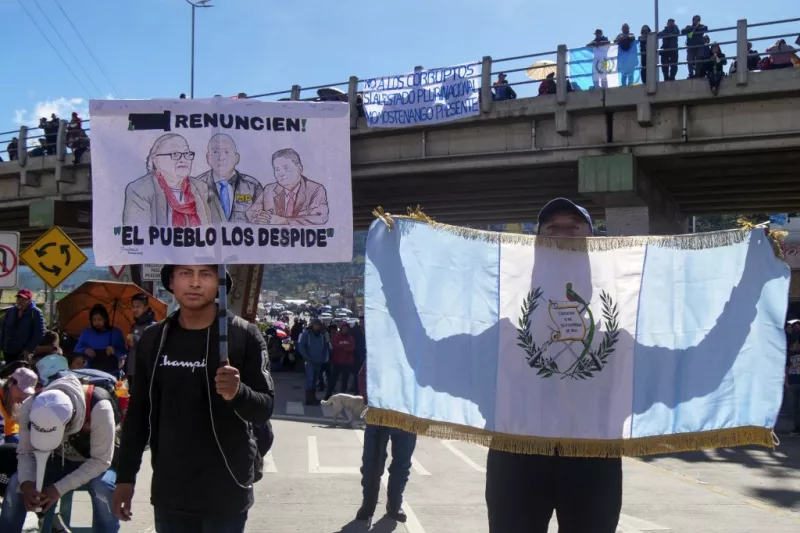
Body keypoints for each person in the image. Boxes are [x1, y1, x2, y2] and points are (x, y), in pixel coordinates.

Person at [486, 198, 622, 533]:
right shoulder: (504, 302)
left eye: (574, 227)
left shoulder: (622, 304)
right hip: (517, 452)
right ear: (535, 243)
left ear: (593, 240)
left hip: (593, 455)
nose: (562, 235)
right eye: (552, 228)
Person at [112, 265, 274, 533]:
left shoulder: (243, 335)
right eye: (186, 273)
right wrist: (125, 478)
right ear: (172, 282)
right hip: (170, 491)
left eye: (206, 275)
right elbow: (138, 414)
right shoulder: (154, 339)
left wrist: (238, 392)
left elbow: (264, 409)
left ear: (220, 284)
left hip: (227, 490)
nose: (195, 283)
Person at [0, 373, 119, 533]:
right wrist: (27, 485)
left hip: (95, 462)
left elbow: (101, 460)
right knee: (16, 483)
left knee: (103, 486)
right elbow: (26, 452)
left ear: (70, 420)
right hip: (56, 460)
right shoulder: (30, 405)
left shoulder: (99, 406)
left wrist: (57, 489)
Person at [356, 361, 416, 524]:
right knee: (371, 462)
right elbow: (364, 374)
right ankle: (368, 506)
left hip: (407, 413)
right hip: (379, 412)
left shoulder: (418, 348)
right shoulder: (383, 343)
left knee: (402, 464)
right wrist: (371, 398)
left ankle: (395, 506)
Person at [123, 133, 224, 226]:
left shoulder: (203, 188)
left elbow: (221, 230)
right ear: (156, 161)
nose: (183, 159)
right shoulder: (140, 190)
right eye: (175, 154)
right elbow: (139, 236)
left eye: (187, 154)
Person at [245, 148, 330, 225]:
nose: (281, 173)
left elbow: (320, 218)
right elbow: (251, 213)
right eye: (277, 169)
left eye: (286, 168)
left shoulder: (315, 189)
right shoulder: (269, 189)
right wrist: (262, 218)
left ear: (299, 168)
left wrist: (285, 221)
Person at [196, 134, 264, 222]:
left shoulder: (253, 186)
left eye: (227, 152)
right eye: (215, 152)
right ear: (208, 157)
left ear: (236, 158)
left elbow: (263, 221)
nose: (221, 158)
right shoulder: (196, 185)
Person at [0, 368, 37, 497]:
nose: (23, 395)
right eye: (21, 390)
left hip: (10, 435)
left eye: (25, 392)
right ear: (11, 382)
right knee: (15, 451)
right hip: (5, 438)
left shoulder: (18, 401)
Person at [74, 304, 128, 375]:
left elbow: (124, 353)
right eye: (94, 320)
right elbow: (76, 349)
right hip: (91, 372)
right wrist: (85, 350)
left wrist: (114, 351)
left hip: (112, 373)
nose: (97, 323)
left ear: (105, 319)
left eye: (100, 319)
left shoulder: (116, 332)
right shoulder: (87, 333)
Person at [0, 288, 45, 364]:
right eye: (19, 299)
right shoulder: (11, 311)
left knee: (20, 372)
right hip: (8, 349)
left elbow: (39, 333)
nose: (20, 302)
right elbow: (3, 328)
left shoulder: (35, 313)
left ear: (29, 300)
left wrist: (29, 349)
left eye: (24, 300)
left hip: (23, 351)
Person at [297, 318, 329, 406]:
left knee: (315, 380)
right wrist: (307, 357)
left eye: (319, 325)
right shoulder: (306, 334)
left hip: (318, 362)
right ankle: (309, 399)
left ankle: (313, 397)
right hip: (309, 361)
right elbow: (301, 347)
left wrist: (323, 359)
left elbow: (325, 348)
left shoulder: (322, 336)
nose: (317, 326)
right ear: (312, 325)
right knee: (310, 379)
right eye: (316, 324)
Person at [125, 293, 157, 381]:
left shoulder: (153, 326)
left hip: (144, 372)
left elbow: (151, 347)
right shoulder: (134, 325)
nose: (134, 309)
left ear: (146, 308)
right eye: (133, 306)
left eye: (138, 306)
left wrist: (136, 339)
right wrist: (129, 343)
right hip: (131, 369)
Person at [326, 322, 355, 400]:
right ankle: (328, 395)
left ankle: (342, 397)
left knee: (344, 381)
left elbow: (352, 348)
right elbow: (334, 346)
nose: (345, 330)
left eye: (346, 329)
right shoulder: (336, 337)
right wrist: (345, 346)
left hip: (347, 362)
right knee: (333, 380)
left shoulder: (350, 338)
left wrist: (341, 347)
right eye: (344, 329)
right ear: (341, 329)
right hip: (337, 362)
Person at [787, 322, 800, 436]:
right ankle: (796, 427)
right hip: (792, 382)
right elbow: (786, 369)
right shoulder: (789, 356)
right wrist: (787, 382)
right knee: (793, 408)